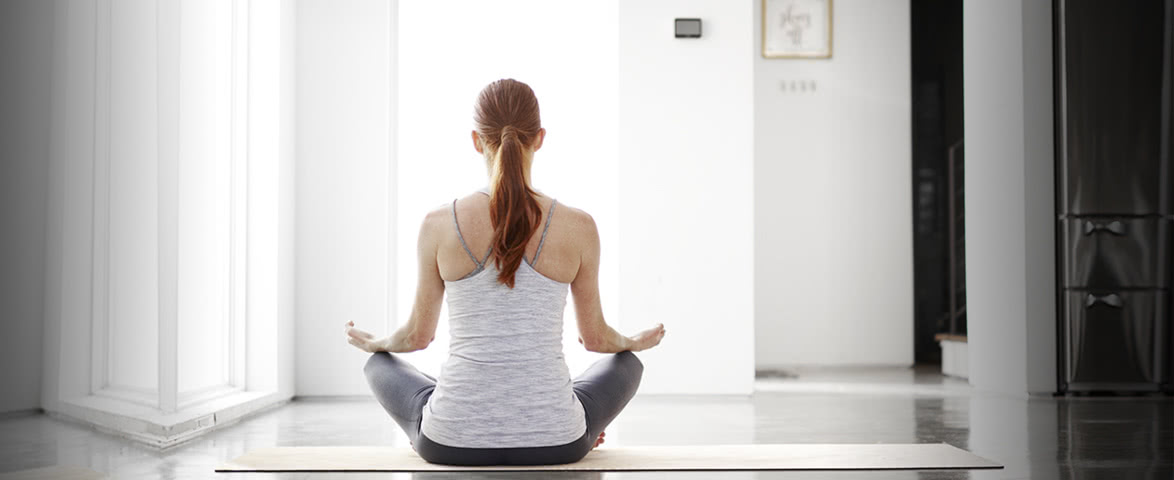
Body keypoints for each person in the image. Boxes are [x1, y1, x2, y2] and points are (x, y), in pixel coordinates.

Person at [344, 78, 666, 466]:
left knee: (379, 363)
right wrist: (633, 340)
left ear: (477, 140)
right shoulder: (579, 226)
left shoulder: (438, 224)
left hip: (448, 443)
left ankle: (437, 424)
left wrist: (375, 343)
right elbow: (596, 340)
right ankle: (570, 420)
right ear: (540, 138)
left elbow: (417, 337)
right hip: (559, 442)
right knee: (627, 362)